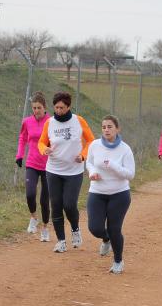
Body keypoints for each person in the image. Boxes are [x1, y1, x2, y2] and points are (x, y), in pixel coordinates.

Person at [38, 92, 95, 253]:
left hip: (73, 171)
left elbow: (91, 140)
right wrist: (44, 149)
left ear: (68, 106)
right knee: (56, 205)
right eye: (56, 107)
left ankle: (75, 229)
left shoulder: (78, 121)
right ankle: (61, 241)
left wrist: (83, 155)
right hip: (53, 170)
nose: (58, 110)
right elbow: (41, 142)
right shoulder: (49, 122)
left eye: (62, 107)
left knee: (69, 204)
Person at [86, 115, 135, 274]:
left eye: (110, 127)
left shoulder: (125, 149)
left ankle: (118, 261)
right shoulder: (94, 145)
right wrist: (92, 172)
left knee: (115, 229)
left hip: (119, 194)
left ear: (117, 129)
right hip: (97, 192)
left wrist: (113, 165)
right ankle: (106, 238)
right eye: (104, 127)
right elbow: (90, 162)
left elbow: (130, 174)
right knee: (94, 228)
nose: (106, 130)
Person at [16, 91, 51, 242]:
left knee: (44, 200)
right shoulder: (27, 121)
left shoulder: (52, 121)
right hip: (32, 163)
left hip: (49, 165)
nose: (36, 111)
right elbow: (22, 138)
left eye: (39, 108)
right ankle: (33, 217)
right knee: (30, 194)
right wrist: (19, 155)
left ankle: (45, 228)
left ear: (45, 108)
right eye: (34, 108)